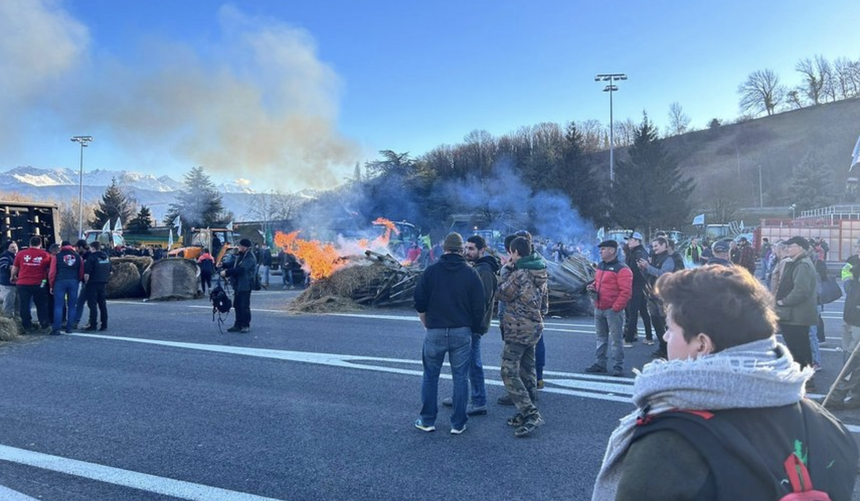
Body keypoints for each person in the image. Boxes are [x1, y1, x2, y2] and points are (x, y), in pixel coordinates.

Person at [592, 266, 859, 501]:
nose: (664, 337)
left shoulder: (668, 444)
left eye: (670, 329)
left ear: (702, 344)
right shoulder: (827, 426)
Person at [413, 232, 485, 435]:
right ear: (461, 250)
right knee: (460, 378)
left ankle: (427, 420)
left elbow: (419, 301)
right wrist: (473, 328)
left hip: (435, 329)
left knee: (430, 376)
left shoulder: (431, 271)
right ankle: (458, 423)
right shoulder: (471, 273)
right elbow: (480, 306)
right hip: (461, 331)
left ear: (444, 249)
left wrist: (426, 324)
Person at [441, 235, 499, 416]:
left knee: (473, 363)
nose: (467, 252)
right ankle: (459, 396)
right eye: (466, 248)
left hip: (473, 324)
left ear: (482, 250)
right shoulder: (475, 267)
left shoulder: (485, 271)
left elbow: (483, 301)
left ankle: (479, 401)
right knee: (461, 363)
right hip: (464, 321)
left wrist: (473, 322)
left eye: (472, 248)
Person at [497, 236, 548, 437]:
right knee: (528, 369)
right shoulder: (540, 271)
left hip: (517, 328)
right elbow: (545, 305)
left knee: (508, 371)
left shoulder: (519, 274)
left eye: (511, 252)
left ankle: (530, 413)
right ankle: (527, 409)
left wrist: (505, 270)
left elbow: (502, 294)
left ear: (515, 252)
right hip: (534, 327)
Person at [585, 239, 632, 377]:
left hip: (611, 310)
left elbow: (626, 292)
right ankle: (600, 363)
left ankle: (618, 366)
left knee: (616, 340)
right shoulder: (601, 265)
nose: (600, 251)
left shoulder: (622, 269)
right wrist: (593, 287)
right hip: (599, 307)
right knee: (601, 338)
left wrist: (616, 308)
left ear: (612, 250)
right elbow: (598, 282)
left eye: (603, 249)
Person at [774, 237, 817, 377]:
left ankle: (805, 378)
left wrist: (783, 302)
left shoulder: (802, 265)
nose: (787, 249)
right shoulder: (796, 263)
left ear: (801, 248)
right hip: (792, 315)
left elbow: (801, 291)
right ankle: (801, 376)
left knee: (799, 349)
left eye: (791, 246)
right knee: (797, 349)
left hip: (796, 316)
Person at [639, 237, 676, 359]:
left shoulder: (668, 259)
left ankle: (670, 349)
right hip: (652, 295)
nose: (654, 248)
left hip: (663, 296)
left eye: (656, 246)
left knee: (665, 323)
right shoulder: (653, 259)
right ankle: (662, 347)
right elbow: (649, 276)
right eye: (653, 246)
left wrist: (648, 267)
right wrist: (643, 268)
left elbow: (664, 274)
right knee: (656, 323)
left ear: (664, 245)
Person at [11, 236, 51, 332]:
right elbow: (49, 270)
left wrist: (12, 277)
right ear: (40, 244)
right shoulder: (45, 255)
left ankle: (27, 326)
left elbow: (15, 268)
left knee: (24, 305)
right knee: (41, 304)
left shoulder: (21, 254)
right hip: (40, 283)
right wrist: (47, 281)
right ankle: (44, 324)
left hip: (23, 283)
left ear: (30, 244)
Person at [220, 238, 257, 333]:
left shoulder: (250, 257)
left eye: (240, 246)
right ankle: (238, 324)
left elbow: (241, 270)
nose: (238, 247)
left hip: (245, 285)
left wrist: (227, 273)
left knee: (244, 306)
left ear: (244, 247)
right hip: (238, 285)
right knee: (237, 305)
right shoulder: (241, 256)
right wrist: (223, 265)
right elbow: (234, 264)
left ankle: (245, 325)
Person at [48, 240, 83, 335]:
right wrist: (78, 280)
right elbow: (81, 271)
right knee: (72, 306)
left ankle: (56, 328)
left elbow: (52, 273)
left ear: (61, 247)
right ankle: (69, 328)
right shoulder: (78, 257)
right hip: (73, 281)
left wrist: (51, 285)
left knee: (58, 305)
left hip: (60, 281)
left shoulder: (56, 256)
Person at [623, 232, 652, 347]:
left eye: (631, 240)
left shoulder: (638, 253)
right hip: (642, 285)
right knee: (643, 311)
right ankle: (649, 337)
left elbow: (635, 271)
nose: (629, 242)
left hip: (636, 285)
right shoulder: (639, 252)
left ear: (637, 241)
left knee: (633, 312)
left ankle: (629, 339)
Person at [83, 241, 111, 331]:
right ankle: (104, 324)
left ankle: (93, 324)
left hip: (93, 283)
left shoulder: (91, 258)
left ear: (93, 248)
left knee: (92, 304)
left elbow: (87, 274)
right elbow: (110, 270)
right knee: (102, 304)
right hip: (103, 282)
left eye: (90, 248)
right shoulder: (106, 257)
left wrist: (86, 282)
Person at [71, 239, 91, 329]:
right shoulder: (85, 256)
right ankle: (77, 321)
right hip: (89, 282)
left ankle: (76, 321)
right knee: (86, 302)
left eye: (77, 248)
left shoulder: (87, 257)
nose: (77, 249)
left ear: (81, 247)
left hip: (88, 282)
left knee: (82, 302)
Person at [0, 240, 18, 317]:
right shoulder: (4, 256)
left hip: (17, 283)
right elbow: (4, 266)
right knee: (8, 303)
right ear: (7, 248)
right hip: (7, 284)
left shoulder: (17, 256)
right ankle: (8, 320)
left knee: (17, 303)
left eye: (16, 246)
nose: (15, 248)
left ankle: (17, 320)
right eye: (12, 247)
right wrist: (16, 268)